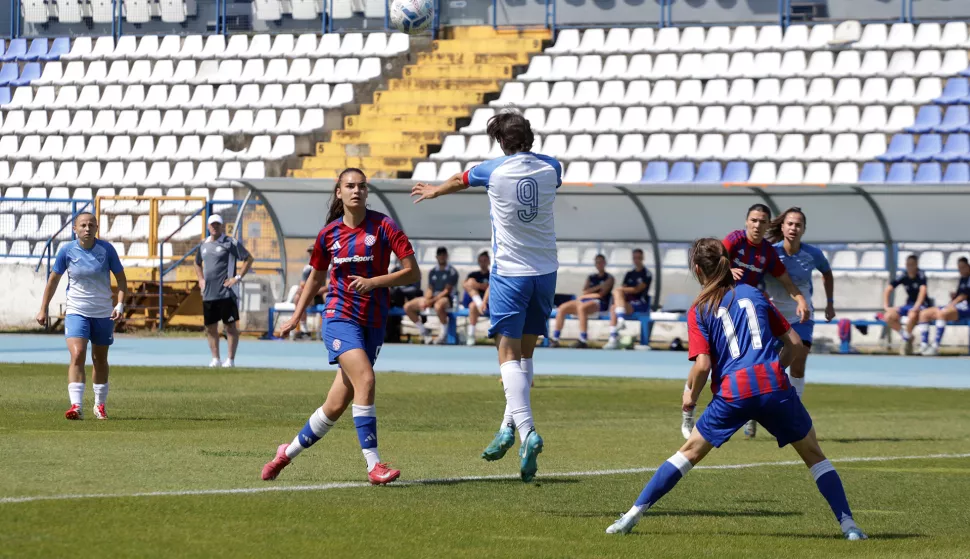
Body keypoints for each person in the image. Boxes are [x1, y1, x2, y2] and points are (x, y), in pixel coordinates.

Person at [605, 238, 867, 541]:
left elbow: (702, 365)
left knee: (688, 453)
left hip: (734, 392)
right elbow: (794, 344)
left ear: (696, 269)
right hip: (773, 386)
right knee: (813, 453)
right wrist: (772, 371)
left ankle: (630, 517)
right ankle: (849, 525)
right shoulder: (754, 293)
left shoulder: (700, 308)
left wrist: (690, 395)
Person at [411, 110, 560, 482]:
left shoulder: (491, 170)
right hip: (546, 272)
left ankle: (527, 432)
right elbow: (545, 171)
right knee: (524, 356)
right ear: (530, 137)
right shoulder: (552, 168)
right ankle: (508, 428)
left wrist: (434, 191)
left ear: (500, 143)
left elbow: (460, 179)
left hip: (511, 273)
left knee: (506, 355)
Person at [262, 168, 420, 485]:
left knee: (335, 404)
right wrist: (295, 316)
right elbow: (316, 278)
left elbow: (412, 273)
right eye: (350, 186)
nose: (356, 191)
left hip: (373, 322)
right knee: (366, 378)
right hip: (339, 317)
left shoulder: (385, 227)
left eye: (362, 186)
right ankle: (374, 465)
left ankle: (285, 453)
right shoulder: (328, 235)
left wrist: (374, 282)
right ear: (339, 192)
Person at [686, 203, 809, 440]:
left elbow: (785, 280)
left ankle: (754, 411)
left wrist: (800, 299)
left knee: (759, 358)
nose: (758, 225)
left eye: (763, 221)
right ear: (746, 222)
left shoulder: (768, 252)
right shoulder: (734, 240)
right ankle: (688, 409)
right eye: (754, 220)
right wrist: (727, 272)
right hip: (721, 304)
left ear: (767, 224)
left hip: (748, 309)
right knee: (705, 357)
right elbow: (715, 259)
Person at [35, 212, 127, 420]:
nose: (87, 228)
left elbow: (121, 280)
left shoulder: (107, 250)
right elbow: (53, 280)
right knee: (77, 353)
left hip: (103, 312)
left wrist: (120, 305)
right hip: (77, 310)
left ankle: (99, 405)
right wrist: (43, 308)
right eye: (83, 225)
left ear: (97, 228)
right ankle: (76, 406)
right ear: (74, 229)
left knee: (99, 359)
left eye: (91, 225)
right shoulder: (67, 251)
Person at [764, 208, 835, 399]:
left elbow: (827, 273)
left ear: (803, 229)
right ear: (782, 226)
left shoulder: (813, 254)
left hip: (801, 317)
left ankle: (796, 409)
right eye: (790, 224)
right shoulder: (770, 253)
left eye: (798, 225)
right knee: (769, 366)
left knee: (798, 361)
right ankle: (756, 406)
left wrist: (829, 303)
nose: (793, 228)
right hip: (773, 318)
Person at [194, 214, 254, 368]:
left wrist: (237, 277)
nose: (215, 227)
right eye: (212, 225)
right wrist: (200, 279)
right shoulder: (203, 245)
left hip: (227, 292)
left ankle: (230, 360)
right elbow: (197, 263)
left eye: (217, 224)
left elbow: (248, 258)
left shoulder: (230, 243)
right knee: (211, 327)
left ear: (221, 226)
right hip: (209, 293)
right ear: (208, 227)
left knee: (230, 326)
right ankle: (215, 358)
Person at [549, 254, 614, 348]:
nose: (599, 264)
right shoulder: (591, 277)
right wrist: (599, 286)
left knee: (582, 308)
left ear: (605, 263)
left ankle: (583, 339)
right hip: (585, 300)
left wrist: (588, 294)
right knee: (562, 308)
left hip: (599, 303)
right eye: (597, 262)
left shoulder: (609, 278)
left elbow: (600, 295)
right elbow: (584, 291)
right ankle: (555, 338)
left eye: (601, 262)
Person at [915, 256, 969, 356]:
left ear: (968, 266)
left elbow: (964, 296)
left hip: (967, 308)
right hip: (957, 306)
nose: (961, 270)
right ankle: (924, 345)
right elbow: (959, 295)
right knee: (924, 314)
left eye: (963, 267)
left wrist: (952, 304)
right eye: (959, 268)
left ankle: (935, 346)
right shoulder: (963, 279)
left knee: (942, 313)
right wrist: (953, 298)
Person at [404, 246, 459, 344]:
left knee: (439, 306)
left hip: (447, 299)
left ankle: (443, 335)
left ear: (447, 256)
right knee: (408, 306)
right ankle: (424, 332)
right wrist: (426, 300)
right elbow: (430, 288)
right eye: (440, 255)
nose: (442, 257)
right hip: (433, 298)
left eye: (443, 255)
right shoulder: (432, 271)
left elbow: (446, 291)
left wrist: (431, 301)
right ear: (436, 257)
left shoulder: (452, 272)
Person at [883, 254, 933, 356]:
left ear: (916, 265)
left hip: (922, 304)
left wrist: (916, 306)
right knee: (888, 316)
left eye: (912, 265)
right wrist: (886, 306)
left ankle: (905, 341)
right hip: (909, 304)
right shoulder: (903, 275)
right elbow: (888, 289)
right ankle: (907, 336)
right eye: (908, 265)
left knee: (912, 315)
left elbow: (922, 291)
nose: (909, 267)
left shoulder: (921, 274)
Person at [604, 248, 652, 350]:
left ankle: (620, 322)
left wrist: (621, 289)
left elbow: (637, 289)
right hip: (626, 303)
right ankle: (613, 338)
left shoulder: (646, 273)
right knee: (613, 308)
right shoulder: (629, 274)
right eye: (635, 258)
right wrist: (621, 290)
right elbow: (624, 290)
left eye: (639, 257)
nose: (636, 260)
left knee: (617, 292)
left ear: (642, 258)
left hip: (640, 303)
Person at [292, 243, 327, 340]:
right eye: (310, 253)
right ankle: (304, 330)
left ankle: (327, 328)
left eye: (314, 252)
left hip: (321, 295)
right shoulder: (307, 268)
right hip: (312, 295)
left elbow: (329, 286)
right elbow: (303, 284)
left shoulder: (329, 265)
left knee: (327, 295)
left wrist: (312, 290)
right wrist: (308, 290)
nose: (312, 255)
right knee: (297, 297)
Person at [463, 251, 491, 346]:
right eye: (481, 260)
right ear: (478, 261)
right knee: (472, 305)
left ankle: (480, 305)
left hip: (488, 302)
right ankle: (471, 335)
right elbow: (465, 285)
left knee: (473, 305)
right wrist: (475, 285)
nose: (483, 262)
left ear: (489, 261)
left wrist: (477, 285)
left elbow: (490, 287)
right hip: (476, 302)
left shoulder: (492, 275)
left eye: (485, 260)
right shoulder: (473, 274)